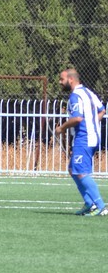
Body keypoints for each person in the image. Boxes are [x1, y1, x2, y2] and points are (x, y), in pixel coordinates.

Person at [54, 68, 108, 216]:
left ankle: (101, 206)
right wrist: (93, 123)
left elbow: (77, 118)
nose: (60, 82)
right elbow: (102, 110)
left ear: (70, 79)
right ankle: (89, 203)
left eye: (62, 79)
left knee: (81, 172)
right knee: (73, 169)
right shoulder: (88, 92)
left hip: (84, 138)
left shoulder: (75, 96)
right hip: (91, 136)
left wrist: (61, 128)